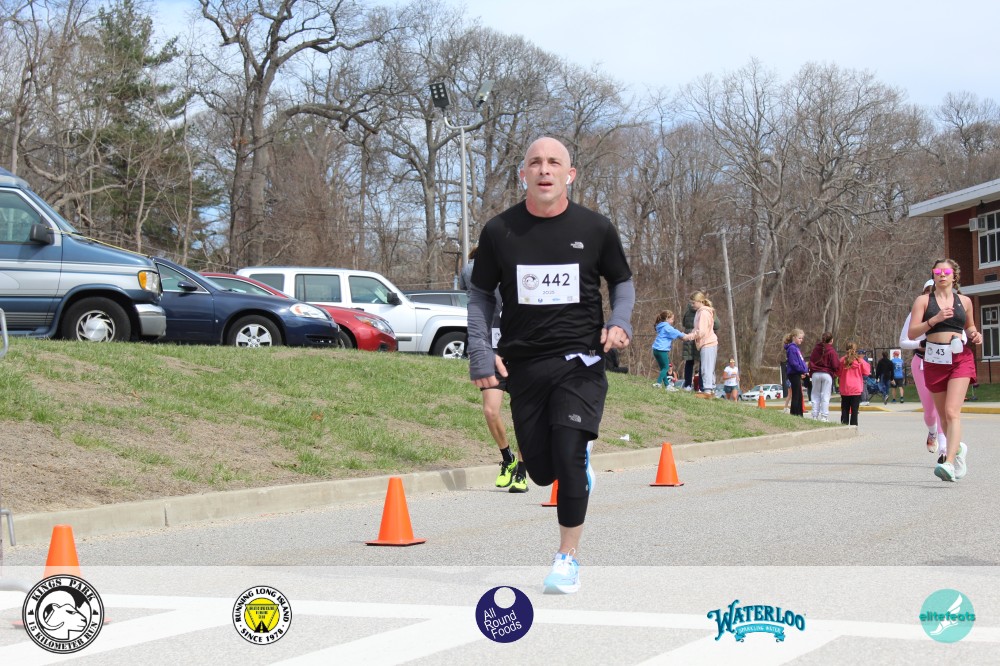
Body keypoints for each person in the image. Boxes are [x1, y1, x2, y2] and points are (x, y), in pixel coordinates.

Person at [467, 136, 634, 594]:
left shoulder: (595, 228)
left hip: (581, 360)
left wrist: (619, 322)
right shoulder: (500, 231)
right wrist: (480, 350)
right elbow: (480, 296)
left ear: (569, 174)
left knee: (568, 452)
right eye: (536, 163)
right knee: (541, 470)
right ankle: (572, 459)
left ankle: (566, 559)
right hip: (525, 364)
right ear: (523, 173)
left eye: (554, 162)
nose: (545, 170)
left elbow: (621, 281)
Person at [907, 258, 982, 482]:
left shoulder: (965, 301)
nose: (941, 274)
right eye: (938, 271)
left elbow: (970, 326)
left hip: (959, 358)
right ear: (933, 274)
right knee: (943, 417)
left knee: (951, 411)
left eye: (946, 272)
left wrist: (975, 334)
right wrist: (935, 320)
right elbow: (912, 333)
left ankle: (948, 462)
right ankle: (958, 449)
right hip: (934, 360)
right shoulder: (923, 301)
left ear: (954, 276)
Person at [460, 247, 528, 492]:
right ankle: (508, 458)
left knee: (523, 417)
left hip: (521, 355)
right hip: (493, 351)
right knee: (490, 411)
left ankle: (522, 472)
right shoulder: (476, 275)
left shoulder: (521, 274)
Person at [899, 279, 949, 460]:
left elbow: (962, 334)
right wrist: (920, 344)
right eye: (928, 291)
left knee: (942, 407)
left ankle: (944, 449)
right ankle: (932, 432)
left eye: (935, 292)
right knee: (929, 411)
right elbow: (903, 342)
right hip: (921, 363)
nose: (931, 296)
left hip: (943, 362)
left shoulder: (948, 311)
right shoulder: (915, 314)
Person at [682, 292, 718, 395]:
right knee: (708, 367)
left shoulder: (703, 313)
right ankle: (710, 389)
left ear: (700, 301)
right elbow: (696, 329)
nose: (691, 305)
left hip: (708, 343)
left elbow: (701, 332)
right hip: (706, 344)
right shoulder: (699, 312)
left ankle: (707, 390)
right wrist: (686, 335)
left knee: (706, 368)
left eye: (693, 303)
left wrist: (689, 337)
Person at [808, 332, 841, 422]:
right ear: (831, 340)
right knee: (825, 395)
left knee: (815, 395)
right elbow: (835, 365)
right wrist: (835, 372)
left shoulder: (816, 349)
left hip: (815, 373)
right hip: (827, 374)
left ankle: (814, 416)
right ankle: (824, 416)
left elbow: (811, 361)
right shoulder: (831, 350)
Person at [837, 341, 870, 425]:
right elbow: (867, 372)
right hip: (856, 388)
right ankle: (854, 426)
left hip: (845, 388)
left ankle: (844, 426)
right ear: (855, 350)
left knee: (844, 409)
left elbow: (837, 372)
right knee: (854, 411)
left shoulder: (842, 360)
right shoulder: (859, 361)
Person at [651, 310, 684, 388]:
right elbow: (676, 333)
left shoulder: (661, 326)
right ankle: (658, 383)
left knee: (663, 368)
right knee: (666, 367)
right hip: (662, 350)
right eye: (672, 319)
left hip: (656, 350)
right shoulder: (667, 327)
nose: (673, 321)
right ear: (667, 319)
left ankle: (667, 385)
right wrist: (686, 335)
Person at [783, 328, 808, 416]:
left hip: (797, 373)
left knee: (799, 395)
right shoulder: (792, 349)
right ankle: (794, 413)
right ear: (794, 337)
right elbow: (794, 363)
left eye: (802, 338)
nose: (801, 340)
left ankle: (799, 414)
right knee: (796, 395)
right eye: (799, 338)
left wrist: (804, 370)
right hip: (793, 374)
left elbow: (801, 361)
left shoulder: (796, 348)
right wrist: (802, 369)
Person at [680, 300, 698, 390]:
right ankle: (701, 386)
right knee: (702, 362)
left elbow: (683, 323)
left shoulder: (687, 311)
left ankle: (687, 385)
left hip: (688, 337)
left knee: (689, 362)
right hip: (698, 336)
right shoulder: (701, 310)